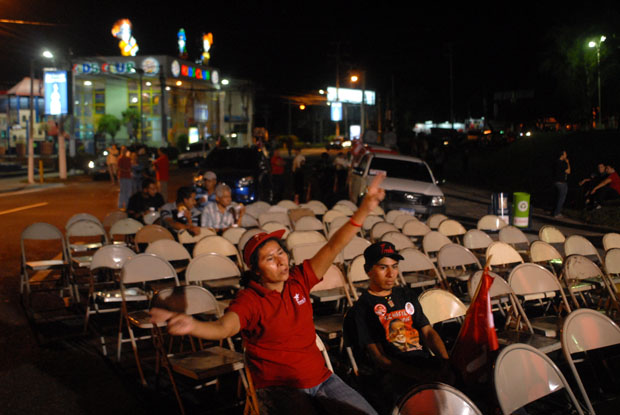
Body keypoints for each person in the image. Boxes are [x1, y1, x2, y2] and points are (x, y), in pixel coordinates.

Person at [150, 173, 387, 415]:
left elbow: (334, 246)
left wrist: (365, 208)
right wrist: (192, 325)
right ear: (255, 270)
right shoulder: (249, 300)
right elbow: (223, 328)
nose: (281, 261)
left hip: (323, 378)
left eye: (280, 253)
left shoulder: (299, 279)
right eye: (270, 259)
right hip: (280, 387)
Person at [350, 241, 454, 411]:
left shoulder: (406, 294)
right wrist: (420, 376)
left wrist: (445, 361)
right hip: (394, 373)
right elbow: (380, 359)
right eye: (383, 267)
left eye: (395, 266)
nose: (391, 274)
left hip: (422, 362)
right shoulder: (362, 308)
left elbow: (428, 332)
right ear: (368, 270)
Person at [552, 150, 571, 217]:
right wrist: (568, 163)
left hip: (556, 182)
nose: (566, 156)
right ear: (562, 155)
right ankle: (557, 213)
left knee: (556, 198)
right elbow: (568, 171)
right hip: (561, 183)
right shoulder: (562, 163)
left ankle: (554, 211)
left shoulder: (556, 162)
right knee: (561, 199)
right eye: (565, 154)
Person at [117, 145, 133, 210]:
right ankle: (121, 205)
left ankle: (127, 205)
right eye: (123, 150)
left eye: (125, 150)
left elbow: (130, 167)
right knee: (123, 191)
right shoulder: (120, 158)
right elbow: (119, 168)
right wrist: (127, 170)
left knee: (128, 191)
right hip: (123, 176)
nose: (124, 151)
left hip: (127, 176)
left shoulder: (128, 158)